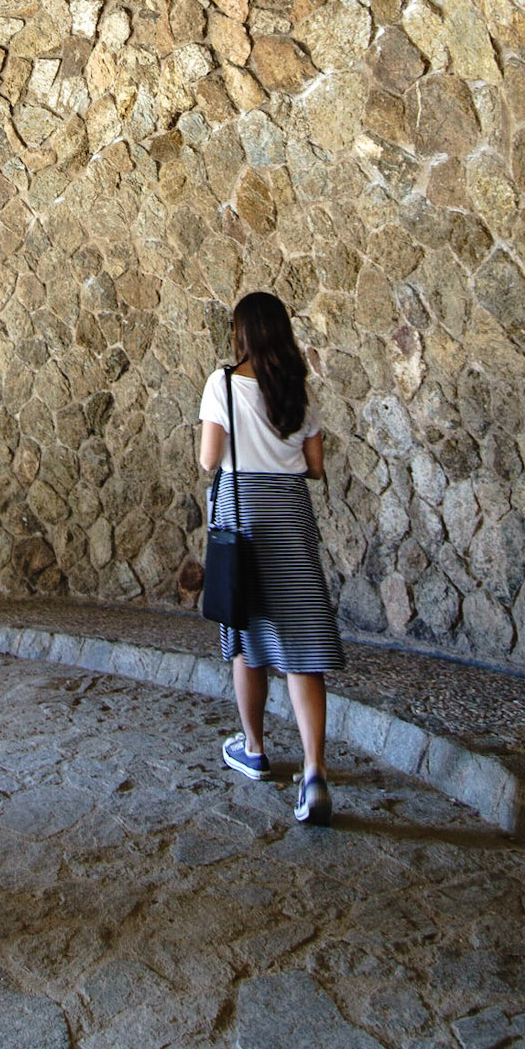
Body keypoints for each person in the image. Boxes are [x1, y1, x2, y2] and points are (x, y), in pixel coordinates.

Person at [198, 290, 344, 826]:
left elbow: (209, 460)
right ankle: (314, 772)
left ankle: (254, 749)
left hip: (243, 517)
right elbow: (315, 467)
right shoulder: (297, 388)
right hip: (290, 515)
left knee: (247, 634)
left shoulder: (222, 383)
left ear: (242, 333)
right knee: (302, 642)